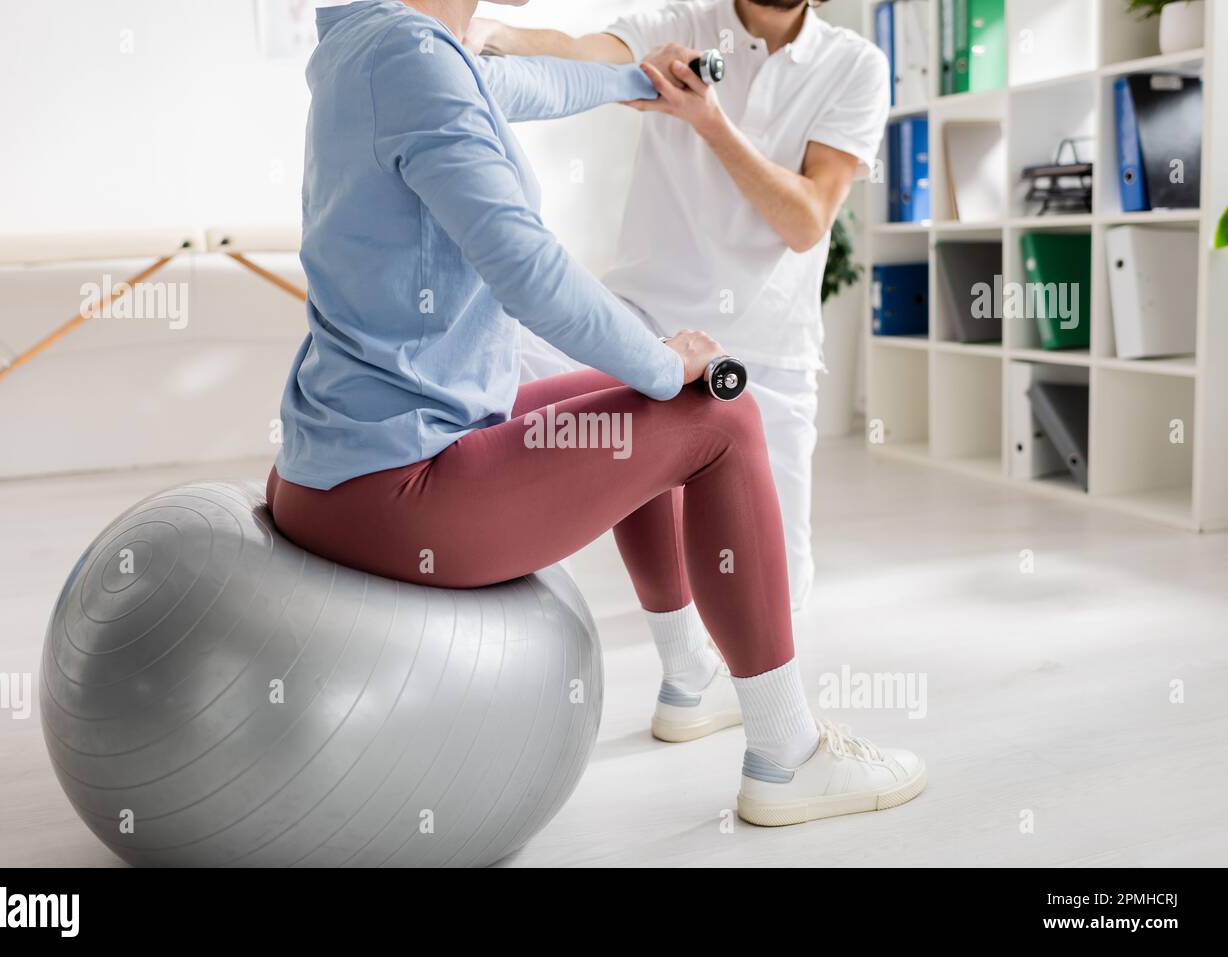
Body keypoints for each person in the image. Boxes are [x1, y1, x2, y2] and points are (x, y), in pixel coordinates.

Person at [269, 0, 923, 827]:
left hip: (331, 472)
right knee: (717, 413)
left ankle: (690, 672)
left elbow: (527, 82)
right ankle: (789, 756)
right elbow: (528, 271)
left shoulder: (368, 42)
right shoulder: (416, 58)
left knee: (621, 401)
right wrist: (661, 361)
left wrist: (631, 79)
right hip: (402, 490)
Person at [467, 0, 893, 735]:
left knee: (774, 595)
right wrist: (492, 35)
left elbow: (805, 221)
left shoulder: (855, 64)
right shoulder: (684, 20)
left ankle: (759, 720)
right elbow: (577, 48)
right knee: (524, 353)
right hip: (648, 322)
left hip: (769, 348)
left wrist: (710, 123)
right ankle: (683, 667)